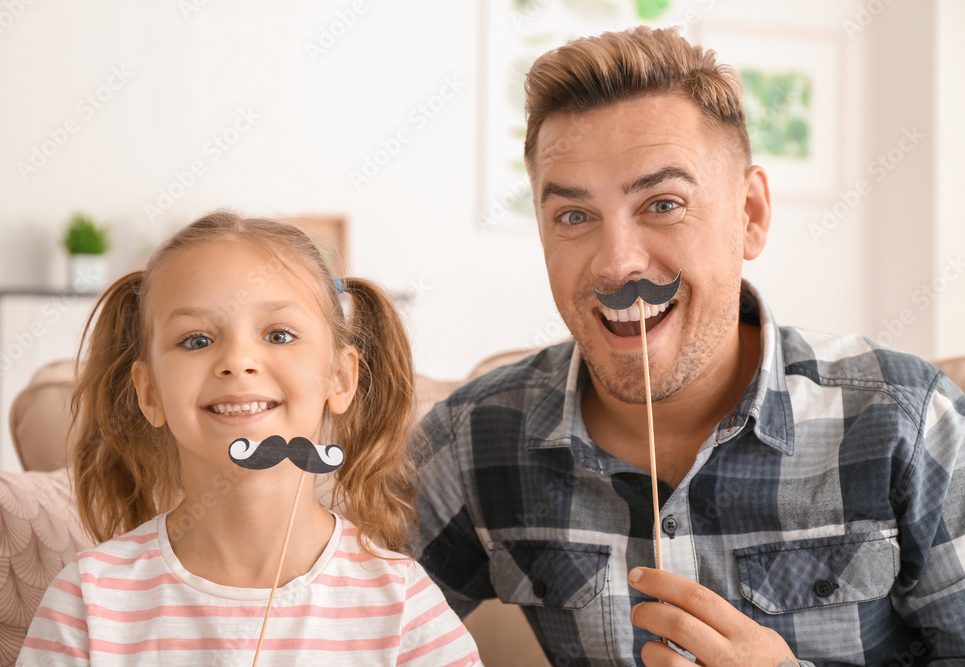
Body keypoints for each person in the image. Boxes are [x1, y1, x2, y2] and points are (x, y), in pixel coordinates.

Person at [413, 26, 965, 666]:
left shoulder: (908, 420)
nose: (617, 265)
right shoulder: (471, 441)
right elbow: (344, 625)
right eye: (573, 216)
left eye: (663, 204)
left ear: (749, 215)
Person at [18, 212, 482, 666]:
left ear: (340, 378)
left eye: (279, 335)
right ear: (149, 392)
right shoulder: (88, 600)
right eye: (196, 340)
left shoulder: (402, 606)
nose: (238, 361)